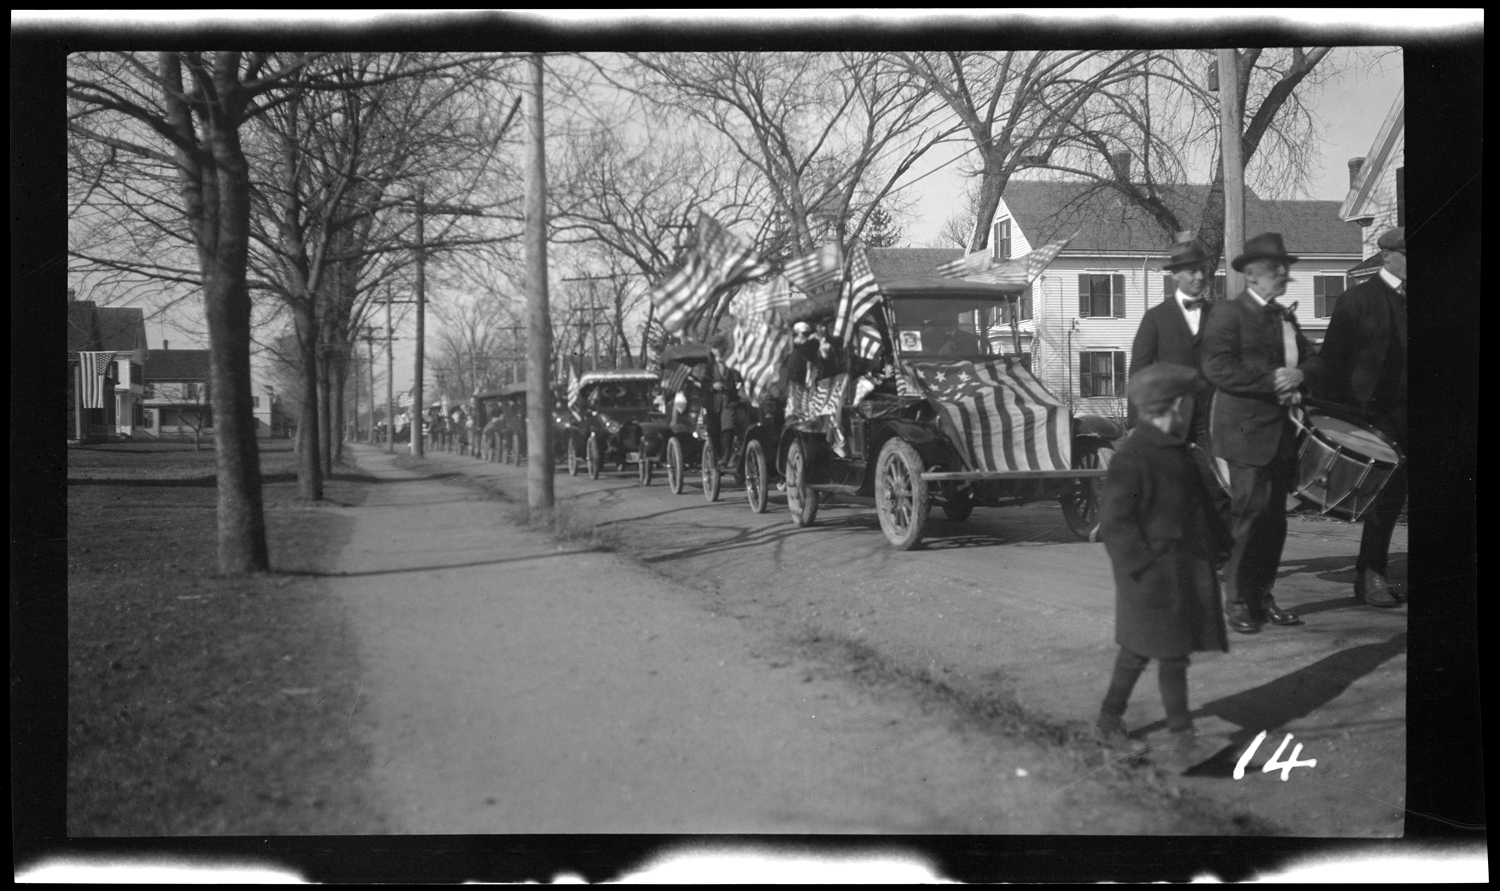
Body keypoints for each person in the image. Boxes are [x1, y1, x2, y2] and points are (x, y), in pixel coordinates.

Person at [1096, 363, 1232, 770]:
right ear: (1172, 407)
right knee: (1167, 655)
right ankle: (1183, 740)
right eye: (1184, 405)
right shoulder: (1133, 457)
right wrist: (1141, 568)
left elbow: (1203, 508)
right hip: (1152, 575)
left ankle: (1108, 719)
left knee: (1143, 651)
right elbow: (1116, 523)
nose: (1186, 412)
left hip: (1182, 571)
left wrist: (1222, 550)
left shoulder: (1181, 453)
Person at [1201, 232, 1322, 635]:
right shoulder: (1226, 314)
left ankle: (1262, 596)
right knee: (1250, 514)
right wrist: (1275, 380)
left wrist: (1302, 373)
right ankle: (1236, 599)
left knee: (1275, 520)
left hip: (1283, 434)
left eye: (1285, 268)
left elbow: (1311, 359)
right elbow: (1219, 369)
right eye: (1276, 269)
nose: (1285, 274)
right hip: (1243, 433)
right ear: (1252, 276)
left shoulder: (1284, 316)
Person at [1316, 227, 1408, 608]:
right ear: (1388, 255)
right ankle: (1371, 575)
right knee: (1385, 495)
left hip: (1414, 411)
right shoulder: (1358, 300)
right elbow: (1332, 361)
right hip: (1373, 413)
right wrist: (1335, 419)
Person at [1130, 238, 1215, 443]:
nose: (1200, 277)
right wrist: (1134, 423)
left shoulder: (1219, 315)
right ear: (1176, 274)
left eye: (1203, 270)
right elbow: (1138, 373)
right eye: (1192, 271)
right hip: (1171, 422)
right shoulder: (1156, 318)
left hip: (1214, 421)